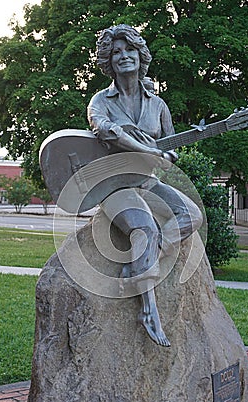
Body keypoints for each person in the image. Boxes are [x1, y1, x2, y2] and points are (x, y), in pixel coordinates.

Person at [87, 24, 203, 347]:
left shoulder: (158, 105)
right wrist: (148, 149)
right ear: (109, 62)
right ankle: (149, 310)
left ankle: (140, 268)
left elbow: (169, 150)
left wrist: (166, 156)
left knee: (192, 215)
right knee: (146, 229)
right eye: (117, 52)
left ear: (141, 56)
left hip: (146, 182)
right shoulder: (101, 101)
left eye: (130, 50)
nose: (124, 56)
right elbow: (107, 131)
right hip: (113, 186)